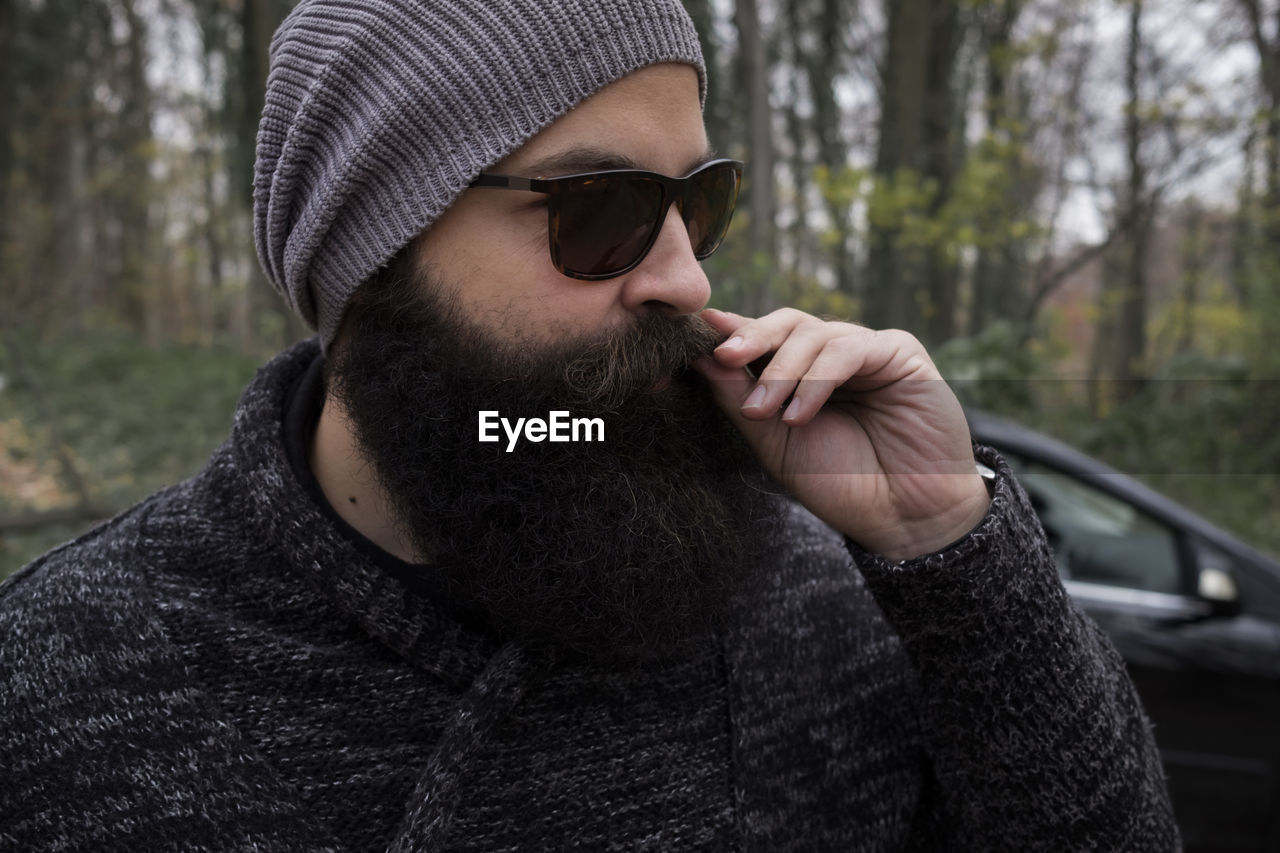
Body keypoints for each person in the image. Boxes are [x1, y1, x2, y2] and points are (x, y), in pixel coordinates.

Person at [0, 0, 1178, 850]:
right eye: (600, 209)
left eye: (695, 203)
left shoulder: (813, 597)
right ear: (369, 264)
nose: (678, 274)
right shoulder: (65, 672)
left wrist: (945, 541)